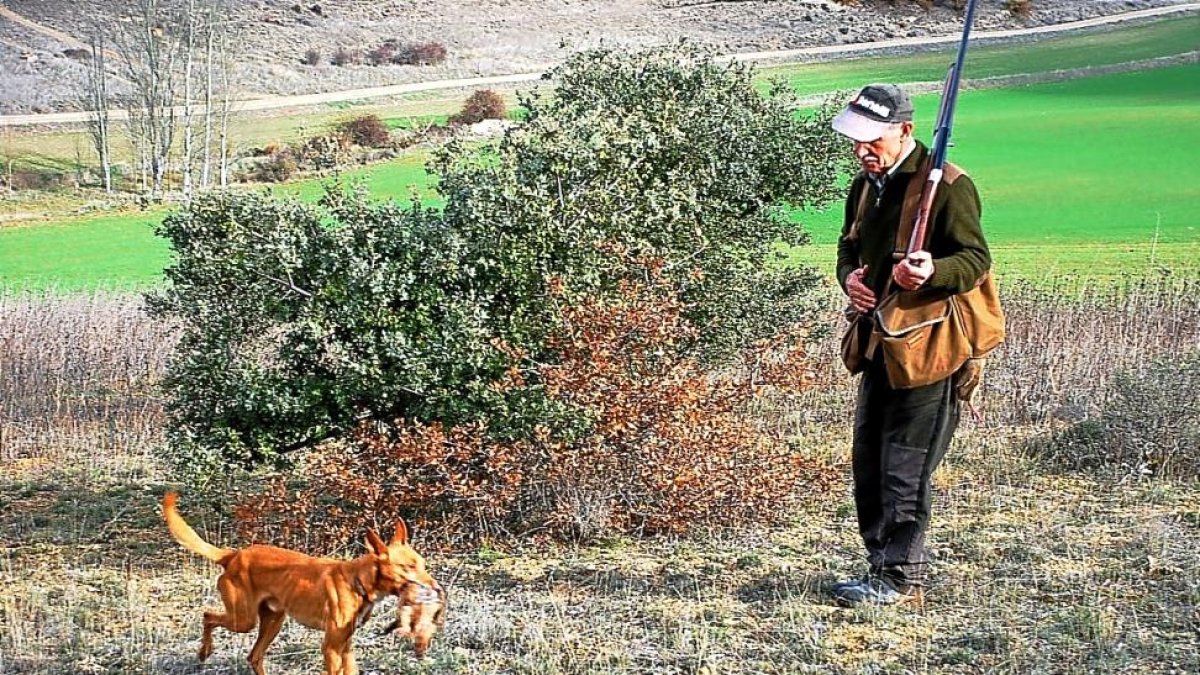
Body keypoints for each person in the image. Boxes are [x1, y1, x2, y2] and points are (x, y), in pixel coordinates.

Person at [830, 83, 992, 606]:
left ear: (904, 130)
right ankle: (879, 564)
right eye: (856, 141)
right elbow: (848, 247)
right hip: (880, 341)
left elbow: (974, 260)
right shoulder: (864, 186)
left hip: (930, 347)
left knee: (906, 464)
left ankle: (900, 577)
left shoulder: (949, 186)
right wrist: (850, 277)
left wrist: (933, 269)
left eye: (871, 140)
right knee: (869, 459)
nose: (862, 151)